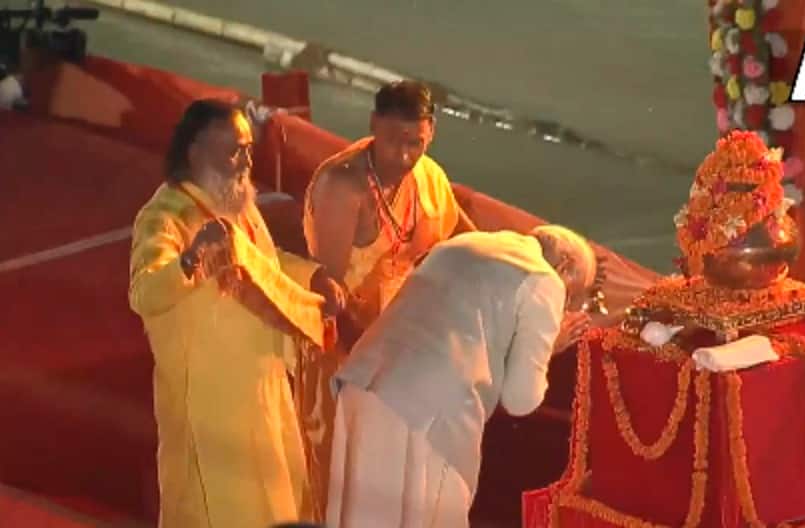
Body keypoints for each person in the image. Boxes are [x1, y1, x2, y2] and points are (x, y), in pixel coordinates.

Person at [128, 99, 345, 528]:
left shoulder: (236, 201)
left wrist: (313, 276)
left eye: (247, 149)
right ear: (195, 152)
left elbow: (264, 260)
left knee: (279, 500)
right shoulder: (164, 216)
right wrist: (191, 258)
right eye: (234, 151)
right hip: (209, 405)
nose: (246, 161)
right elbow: (144, 292)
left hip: (263, 387)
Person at [325, 225, 598, 527]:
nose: (565, 308)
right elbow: (521, 400)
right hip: (430, 416)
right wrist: (552, 345)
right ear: (565, 266)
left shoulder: (462, 243)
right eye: (571, 297)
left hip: (363, 385)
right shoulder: (544, 279)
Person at [303, 80, 477, 333]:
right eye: (392, 141)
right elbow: (329, 296)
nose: (403, 157)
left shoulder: (430, 176)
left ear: (431, 131)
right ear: (373, 123)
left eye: (415, 144)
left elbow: (469, 241)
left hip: (413, 314)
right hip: (361, 333)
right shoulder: (344, 187)